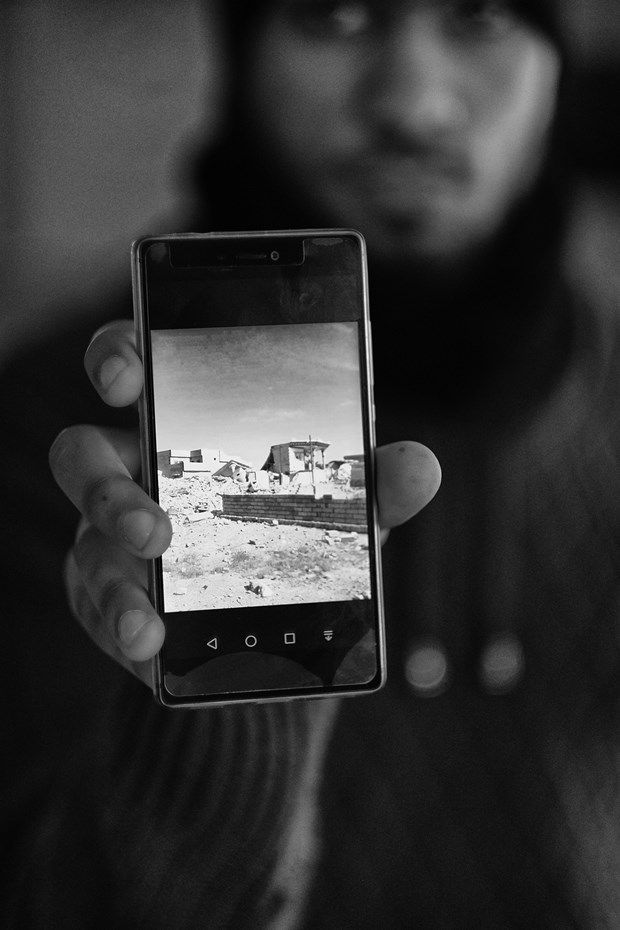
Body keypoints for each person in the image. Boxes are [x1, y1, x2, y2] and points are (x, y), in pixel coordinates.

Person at [5, 0, 620, 926]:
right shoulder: (56, 435)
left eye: (485, 17)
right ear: (240, 55)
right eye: (336, 17)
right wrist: (209, 753)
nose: (413, 104)